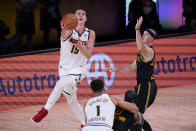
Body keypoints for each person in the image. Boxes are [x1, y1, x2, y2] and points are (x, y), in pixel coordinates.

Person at [31, 9, 96, 127]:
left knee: (60, 84)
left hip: (80, 71)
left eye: (83, 14)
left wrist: (80, 46)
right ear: (74, 18)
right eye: (78, 13)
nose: (81, 15)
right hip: (64, 70)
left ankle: (44, 110)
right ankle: (85, 124)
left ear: (86, 18)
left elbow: (88, 54)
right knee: (72, 100)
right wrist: (63, 29)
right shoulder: (68, 31)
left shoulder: (90, 33)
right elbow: (64, 35)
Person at [106, 16, 157, 130]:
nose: (144, 35)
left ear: (152, 39)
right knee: (134, 111)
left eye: (146, 34)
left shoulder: (149, 50)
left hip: (148, 86)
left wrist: (137, 29)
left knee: (135, 111)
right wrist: (115, 69)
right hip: (141, 86)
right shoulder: (141, 53)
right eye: (143, 33)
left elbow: (139, 46)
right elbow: (132, 67)